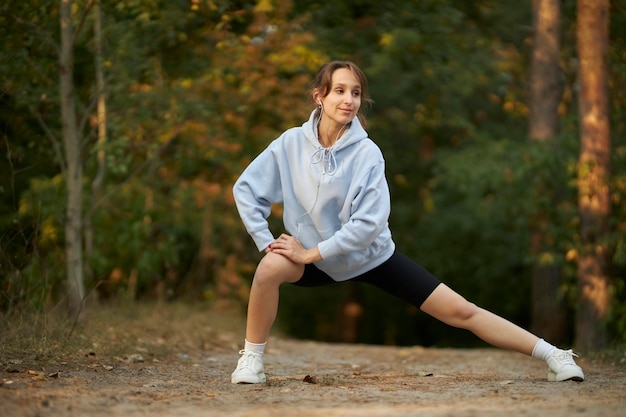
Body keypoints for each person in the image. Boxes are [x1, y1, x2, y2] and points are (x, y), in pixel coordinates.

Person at [230, 60, 584, 384]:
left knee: (461, 311)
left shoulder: (367, 153)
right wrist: (267, 241)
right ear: (318, 96)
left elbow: (368, 224)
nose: (349, 100)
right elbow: (247, 189)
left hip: (369, 256)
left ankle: (555, 355)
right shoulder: (290, 143)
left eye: (355, 93)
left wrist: (311, 254)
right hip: (313, 257)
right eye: (339, 91)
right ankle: (251, 361)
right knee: (269, 267)